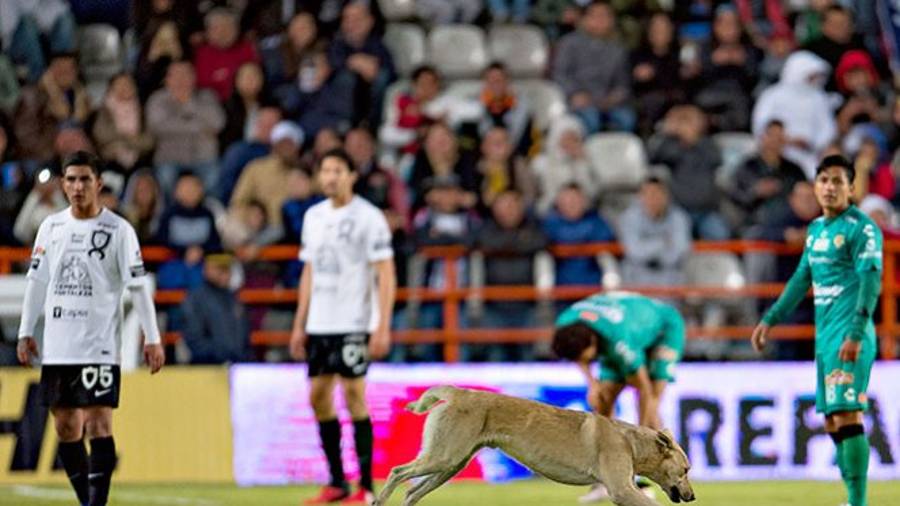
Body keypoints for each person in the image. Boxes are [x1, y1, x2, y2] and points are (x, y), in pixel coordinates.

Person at [16, 151, 165, 506]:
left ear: (98, 183)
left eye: (85, 179)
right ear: (63, 184)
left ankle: (97, 504)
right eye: (71, 180)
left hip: (99, 344)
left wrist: (153, 337)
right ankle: (88, 500)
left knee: (99, 424)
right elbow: (36, 281)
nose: (78, 187)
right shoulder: (51, 227)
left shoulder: (118, 230)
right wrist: (25, 331)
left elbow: (139, 286)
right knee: (66, 427)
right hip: (58, 344)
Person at [751, 154, 880, 506]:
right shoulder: (816, 231)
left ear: (851, 188)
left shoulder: (862, 228)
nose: (829, 187)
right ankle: (852, 497)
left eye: (837, 181)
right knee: (832, 421)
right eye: (823, 180)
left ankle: (858, 501)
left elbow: (871, 282)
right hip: (825, 340)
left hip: (849, 335)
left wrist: (856, 332)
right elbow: (800, 280)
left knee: (846, 413)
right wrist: (771, 318)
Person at [289, 148, 396, 505]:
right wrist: (299, 322)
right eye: (325, 170)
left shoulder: (369, 217)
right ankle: (337, 482)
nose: (331, 177)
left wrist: (381, 326)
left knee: (353, 395)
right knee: (318, 397)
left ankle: (365, 488)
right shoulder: (313, 217)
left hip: (352, 321)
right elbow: (309, 271)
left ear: (352, 175)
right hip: (319, 322)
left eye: (338, 170)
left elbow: (385, 273)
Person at [552, 291, 685, 503]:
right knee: (602, 404)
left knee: (650, 408)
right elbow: (580, 356)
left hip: (663, 329)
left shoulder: (620, 343)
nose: (582, 362)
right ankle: (604, 479)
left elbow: (644, 390)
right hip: (625, 327)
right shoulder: (567, 324)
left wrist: (643, 437)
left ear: (593, 344)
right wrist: (592, 384)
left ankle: (646, 481)